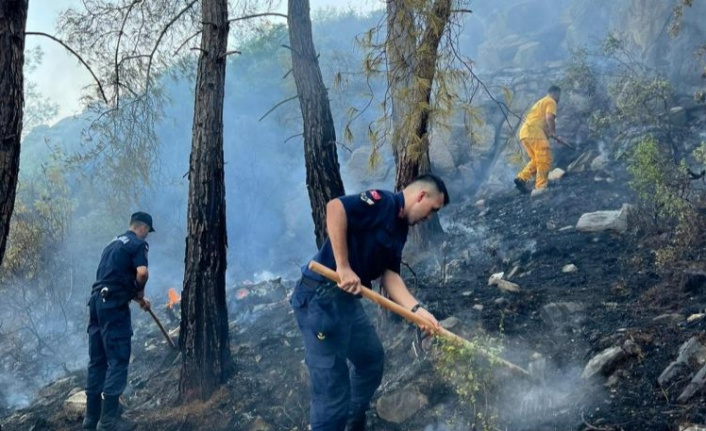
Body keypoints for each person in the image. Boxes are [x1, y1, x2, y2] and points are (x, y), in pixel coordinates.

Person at [291, 174, 449, 431]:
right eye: (432, 210)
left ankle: (352, 421)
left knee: (371, 359)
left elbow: (390, 275)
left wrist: (418, 311)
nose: (429, 218)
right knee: (332, 391)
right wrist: (343, 266)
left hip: (347, 304)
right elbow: (335, 207)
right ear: (421, 196)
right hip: (320, 302)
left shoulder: (399, 231)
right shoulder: (381, 202)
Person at [83, 212, 154, 431]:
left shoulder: (112, 244)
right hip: (113, 306)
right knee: (118, 359)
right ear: (141, 228)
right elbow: (142, 273)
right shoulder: (136, 244)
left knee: (98, 361)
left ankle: (90, 419)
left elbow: (111, 278)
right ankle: (108, 423)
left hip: (96, 303)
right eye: (147, 233)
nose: (146, 237)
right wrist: (140, 293)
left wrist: (135, 296)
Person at [514, 85, 569, 197]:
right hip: (534, 132)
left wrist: (550, 134)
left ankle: (521, 179)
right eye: (559, 96)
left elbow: (541, 122)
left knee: (536, 159)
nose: (559, 99)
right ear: (556, 93)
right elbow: (549, 118)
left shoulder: (540, 103)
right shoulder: (550, 101)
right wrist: (553, 132)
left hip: (524, 133)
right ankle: (541, 187)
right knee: (545, 158)